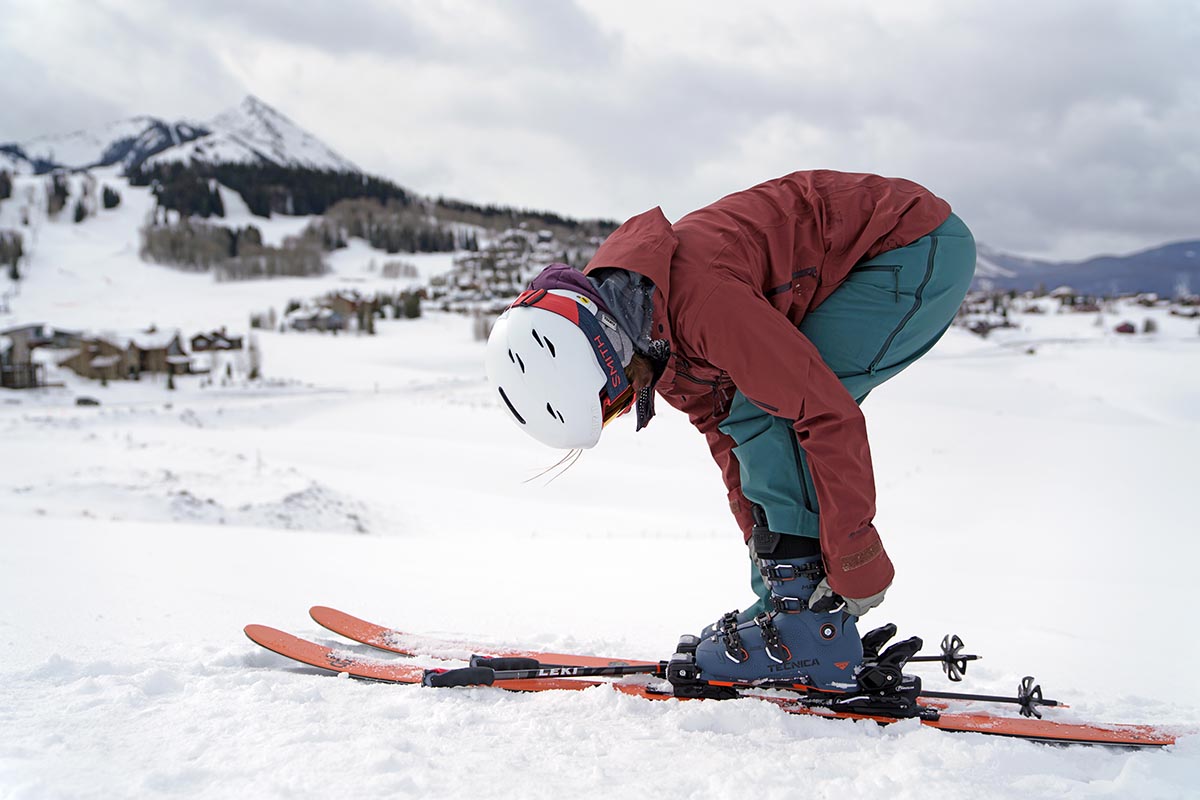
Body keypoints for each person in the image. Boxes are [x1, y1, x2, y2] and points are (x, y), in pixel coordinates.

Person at [485, 170, 976, 692]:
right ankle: (791, 610)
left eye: (611, 401)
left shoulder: (699, 301)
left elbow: (825, 414)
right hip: (869, 259)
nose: (624, 409)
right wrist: (768, 571)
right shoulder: (647, 333)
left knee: (779, 407)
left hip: (912, 247)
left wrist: (855, 562)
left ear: (608, 356)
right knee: (755, 414)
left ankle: (813, 629)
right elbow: (727, 435)